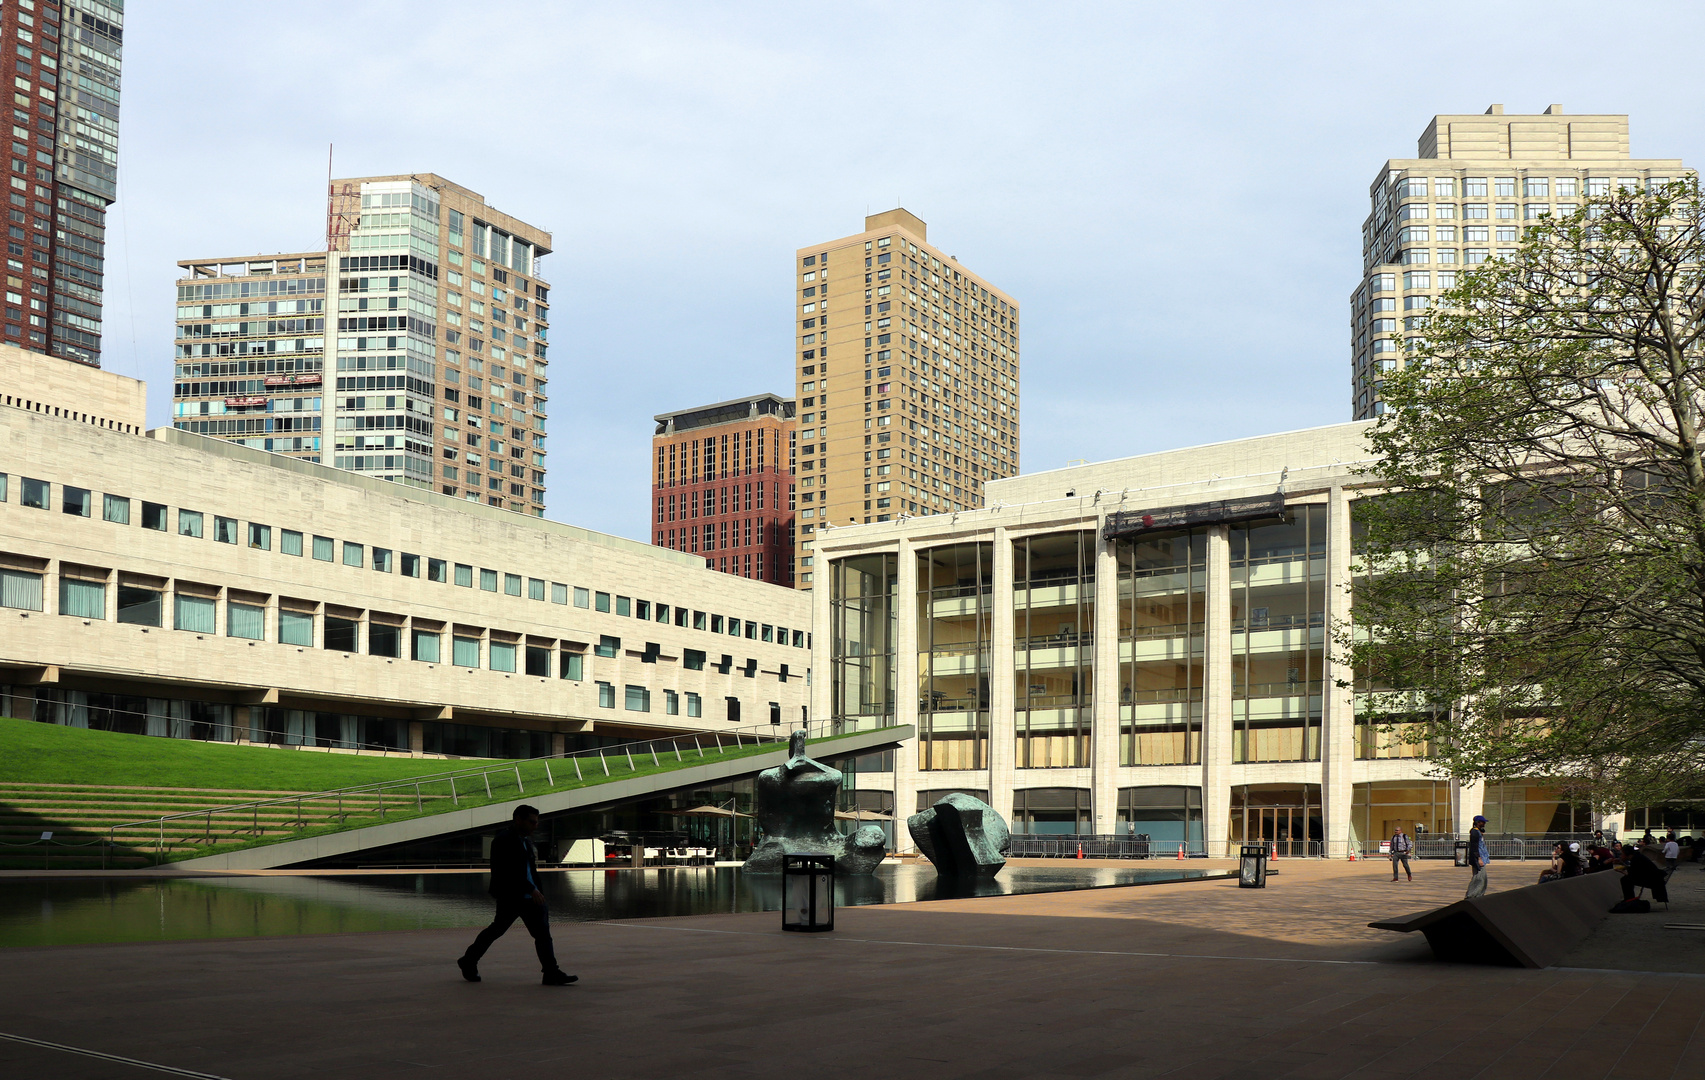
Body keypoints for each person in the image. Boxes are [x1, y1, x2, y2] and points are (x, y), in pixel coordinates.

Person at [458, 805, 577, 986]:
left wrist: (538, 891)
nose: (535, 826)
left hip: (531, 896)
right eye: (531, 822)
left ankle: (551, 972)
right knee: (497, 929)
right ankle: (469, 959)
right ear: (518, 819)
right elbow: (508, 871)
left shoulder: (525, 841)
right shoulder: (504, 840)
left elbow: (530, 870)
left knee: (542, 934)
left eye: (536, 822)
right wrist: (532, 889)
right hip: (512, 895)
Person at [1466, 814, 1491, 898]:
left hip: (1483, 858)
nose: (1484, 823)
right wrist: (1479, 858)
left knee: (1483, 879)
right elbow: (1474, 847)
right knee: (1478, 879)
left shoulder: (1478, 832)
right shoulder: (1474, 832)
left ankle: (1480, 895)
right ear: (1478, 822)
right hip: (1479, 859)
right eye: (1482, 822)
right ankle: (1471, 895)